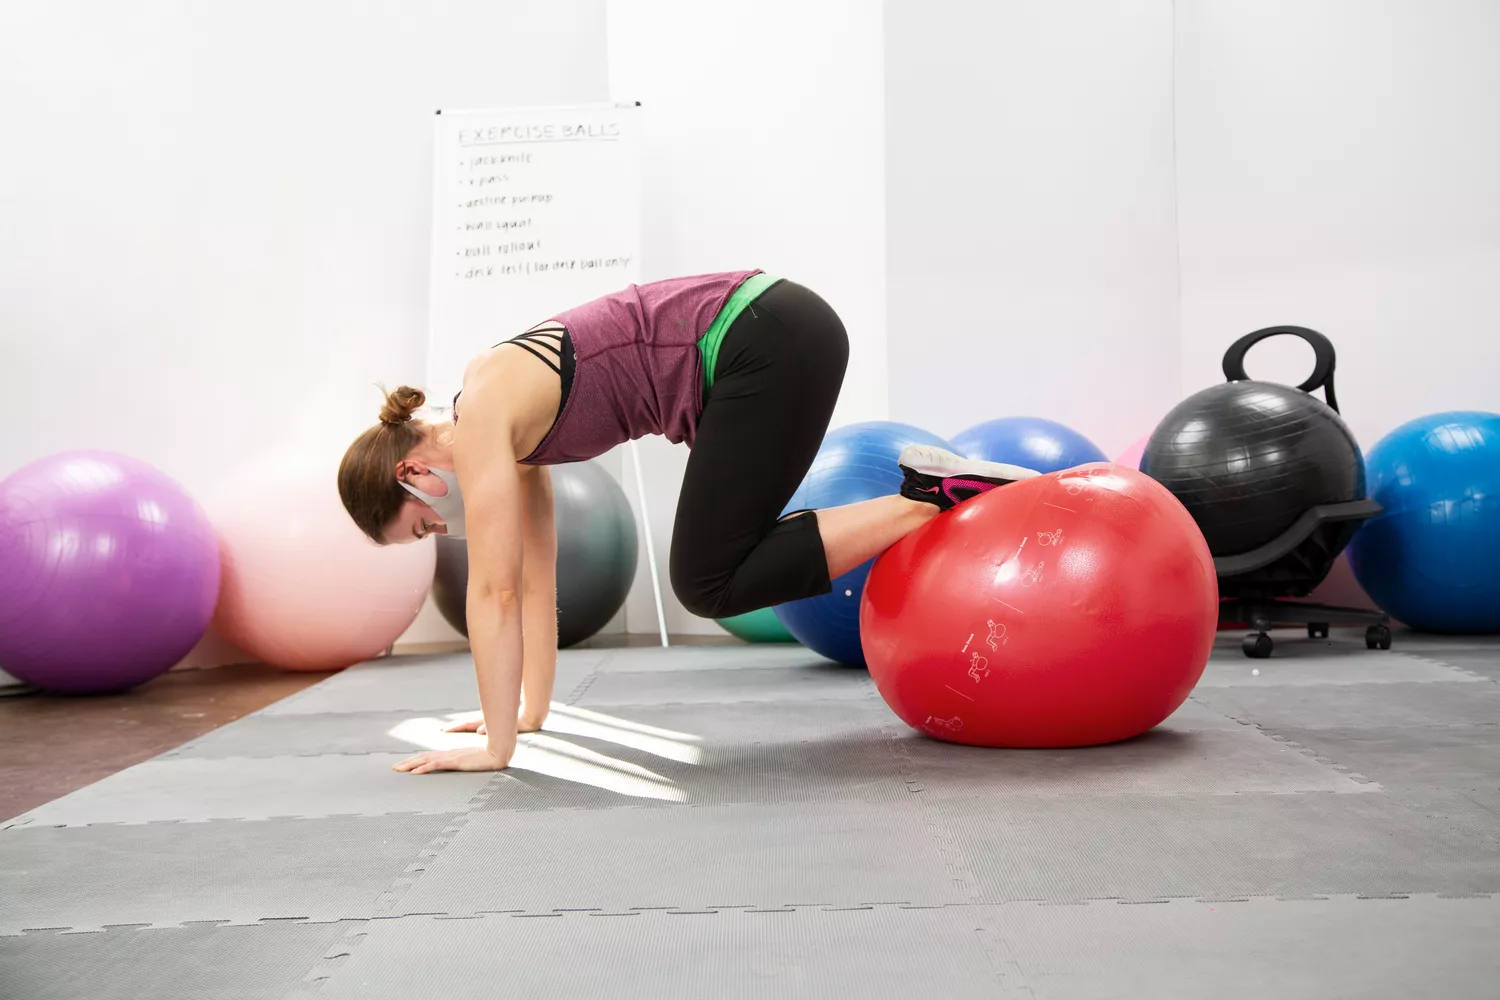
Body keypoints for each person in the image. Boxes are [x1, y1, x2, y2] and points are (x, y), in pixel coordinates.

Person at [337, 271, 1035, 774]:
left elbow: (492, 594)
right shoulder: (502, 424)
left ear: (414, 476)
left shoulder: (485, 412)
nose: (443, 528)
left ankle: (928, 495)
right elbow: (533, 574)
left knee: (706, 580)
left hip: (764, 339)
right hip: (776, 332)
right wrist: (525, 715)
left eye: (424, 526)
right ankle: (933, 492)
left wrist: (494, 754)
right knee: (711, 571)